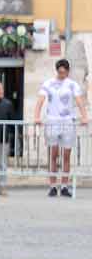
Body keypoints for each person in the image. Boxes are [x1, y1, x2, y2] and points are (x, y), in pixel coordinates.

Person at [35, 59, 87, 197]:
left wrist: (84, 116)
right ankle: (52, 185)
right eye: (60, 72)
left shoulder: (72, 85)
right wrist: (36, 116)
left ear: (68, 71)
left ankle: (64, 185)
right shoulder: (48, 83)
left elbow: (79, 101)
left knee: (66, 155)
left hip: (67, 121)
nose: (62, 74)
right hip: (52, 121)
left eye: (64, 72)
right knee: (53, 154)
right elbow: (40, 100)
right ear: (57, 71)